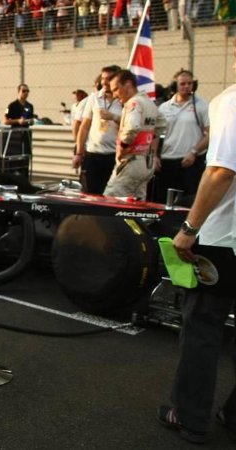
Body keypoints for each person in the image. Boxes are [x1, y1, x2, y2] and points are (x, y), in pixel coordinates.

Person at [158, 39, 236, 446]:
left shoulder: (230, 102)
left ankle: (189, 417)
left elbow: (221, 170)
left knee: (202, 326)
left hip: (225, 239)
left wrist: (189, 226)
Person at [103, 70, 163, 199]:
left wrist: (123, 147)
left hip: (131, 161)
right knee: (137, 202)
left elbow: (132, 127)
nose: (114, 95)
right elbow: (162, 125)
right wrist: (151, 148)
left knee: (112, 199)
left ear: (128, 85)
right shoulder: (149, 103)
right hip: (147, 163)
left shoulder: (133, 103)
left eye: (116, 89)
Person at [154, 69, 209, 204]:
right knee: (164, 201)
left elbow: (210, 133)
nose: (186, 86)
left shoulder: (202, 106)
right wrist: (154, 156)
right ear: (175, 86)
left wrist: (194, 152)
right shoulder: (164, 107)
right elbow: (155, 134)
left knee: (188, 200)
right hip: (167, 160)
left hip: (190, 161)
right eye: (182, 84)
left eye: (190, 83)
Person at [74, 65, 123, 195]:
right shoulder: (94, 98)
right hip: (93, 153)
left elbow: (129, 126)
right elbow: (84, 126)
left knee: (109, 194)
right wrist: (78, 152)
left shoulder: (122, 100)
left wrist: (113, 117)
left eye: (109, 79)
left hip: (113, 154)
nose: (105, 82)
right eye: (103, 78)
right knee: (89, 192)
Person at [4, 83, 35, 155]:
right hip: (15, 135)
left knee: (27, 155)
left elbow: (31, 119)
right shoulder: (11, 105)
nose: (26, 93)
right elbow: (5, 121)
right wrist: (18, 121)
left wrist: (30, 121)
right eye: (23, 91)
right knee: (16, 155)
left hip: (26, 134)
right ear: (18, 92)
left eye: (27, 91)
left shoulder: (30, 106)